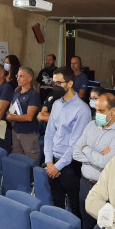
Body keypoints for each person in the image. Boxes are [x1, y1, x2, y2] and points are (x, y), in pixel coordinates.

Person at [72, 92, 115, 229]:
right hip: (84, 185)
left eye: (101, 111)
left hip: (105, 190)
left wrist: (88, 149)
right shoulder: (91, 125)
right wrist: (98, 155)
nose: (97, 114)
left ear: (113, 111)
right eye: (96, 110)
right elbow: (75, 153)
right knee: (86, 226)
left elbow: (106, 163)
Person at [44, 67, 91, 217]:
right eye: (54, 82)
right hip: (52, 163)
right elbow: (49, 135)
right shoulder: (56, 104)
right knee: (56, 204)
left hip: (70, 165)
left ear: (70, 83)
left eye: (59, 82)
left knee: (74, 207)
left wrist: (57, 166)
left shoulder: (82, 109)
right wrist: (49, 162)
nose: (55, 86)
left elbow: (76, 144)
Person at [6, 66, 41, 162]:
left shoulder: (33, 95)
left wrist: (13, 117)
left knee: (31, 162)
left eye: (21, 76)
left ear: (29, 78)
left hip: (28, 133)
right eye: (18, 76)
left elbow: (29, 117)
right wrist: (11, 116)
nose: (18, 78)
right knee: (18, 161)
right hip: (15, 131)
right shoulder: (17, 93)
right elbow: (10, 112)